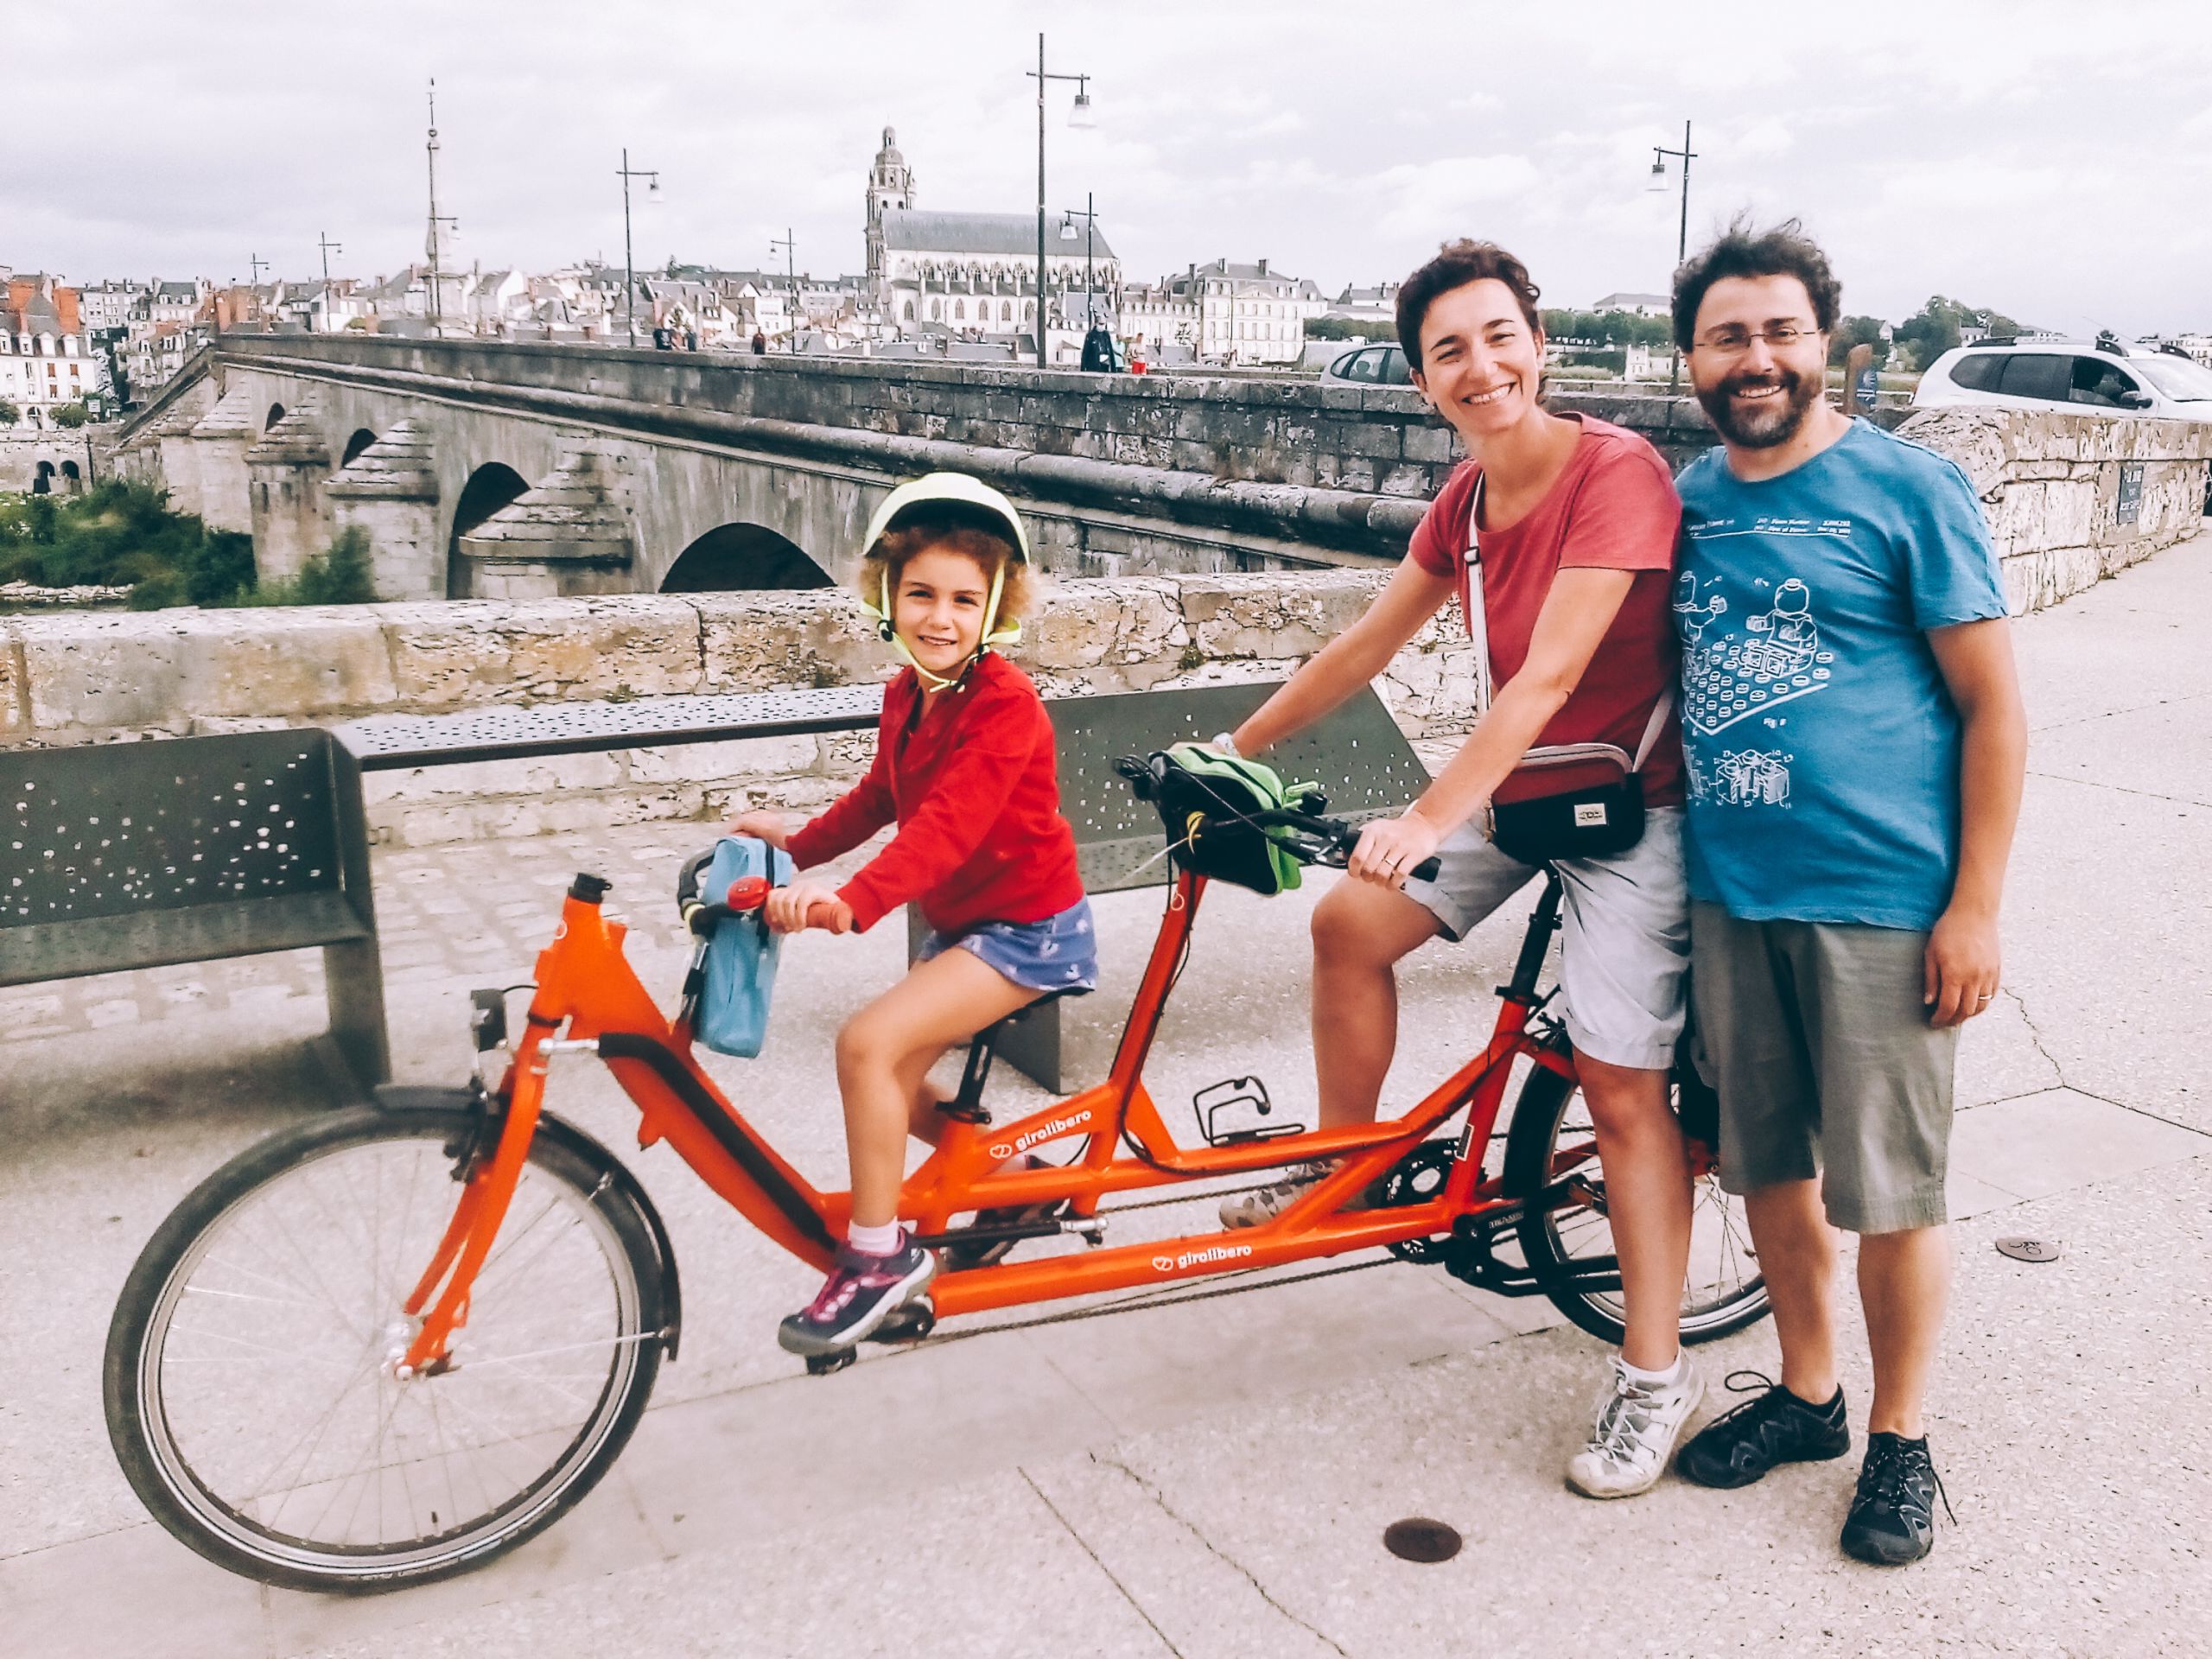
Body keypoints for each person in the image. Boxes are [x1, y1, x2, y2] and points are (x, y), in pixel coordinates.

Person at [1217, 239, 1702, 1498]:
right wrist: (1227, 746)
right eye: (1449, 352)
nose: (1479, 367)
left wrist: (1430, 814)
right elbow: (1364, 646)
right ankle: (1343, 1166)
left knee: (1620, 1082)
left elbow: (1547, 676)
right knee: (1348, 927)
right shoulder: (1468, 503)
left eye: (1498, 338)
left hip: (1631, 809)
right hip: (1528, 788)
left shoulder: (1618, 474)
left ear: (1539, 345)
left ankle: (1655, 1379)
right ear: (1424, 381)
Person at [1663, 220, 2025, 1566]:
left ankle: (1902, 1439)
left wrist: (1974, 904)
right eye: (1726, 336)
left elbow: (1993, 708)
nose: (1754, 359)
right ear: (1690, 357)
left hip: (1881, 896)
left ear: (1827, 346)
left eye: (1778, 332)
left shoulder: (1910, 492)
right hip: (1731, 889)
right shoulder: (1686, 498)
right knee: (1766, 1169)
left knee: (1892, 1192)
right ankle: (1809, 1398)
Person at [727, 474, 1096, 1356]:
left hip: (1030, 931)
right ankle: (1016, 1174)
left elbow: (946, 828)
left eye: (965, 600)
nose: (941, 616)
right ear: (887, 600)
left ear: (995, 609)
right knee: (884, 1077)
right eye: (921, 594)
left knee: (865, 1045)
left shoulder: (1005, 706)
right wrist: (793, 852)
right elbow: (880, 799)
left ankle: (878, 1255)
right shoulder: (908, 694)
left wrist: (850, 904)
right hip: (966, 926)